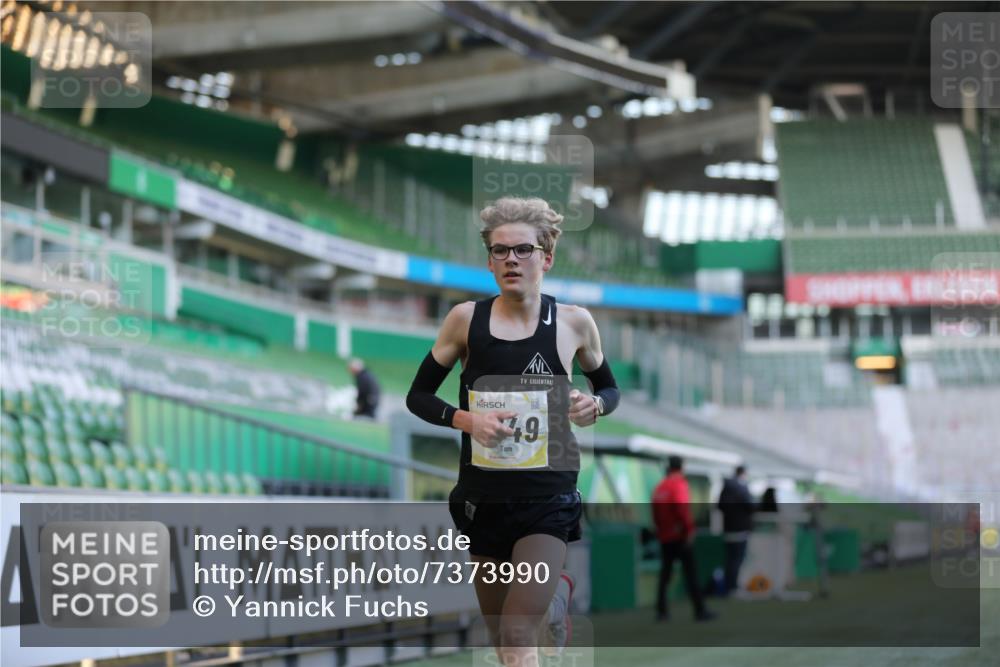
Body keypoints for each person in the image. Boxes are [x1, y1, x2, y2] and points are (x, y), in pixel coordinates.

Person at [406, 197, 620, 665]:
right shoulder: (465, 320)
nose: (511, 260)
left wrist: (595, 405)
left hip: (548, 499)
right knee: (506, 640)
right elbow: (417, 397)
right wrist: (466, 419)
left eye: (522, 250)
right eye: (500, 251)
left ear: (546, 257)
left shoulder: (574, 323)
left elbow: (608, 387)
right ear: (489, 260)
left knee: (519, 634)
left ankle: (551, 602)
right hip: (482, 500)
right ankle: (558, 600)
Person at [651, 455, 715, 622]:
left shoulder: (660, 487)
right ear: (681, 467)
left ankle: (661, 611)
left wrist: (661, 531)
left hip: (665, 536)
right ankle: (700, 611)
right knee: (691, 573)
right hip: (680, 536)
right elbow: (682, 510)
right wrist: (689, 531)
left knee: (665, 575)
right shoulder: (679, 484)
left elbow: (655, 514)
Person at [717, 465, 755, 595]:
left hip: (728, 529)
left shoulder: (726, 488)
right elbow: (750, 506)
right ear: (743, 474)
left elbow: (720, 506)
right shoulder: (741, 488)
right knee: (736, 559)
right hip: (740, 529)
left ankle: (730, 586)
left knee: (730, 559)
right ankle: (732, 587)